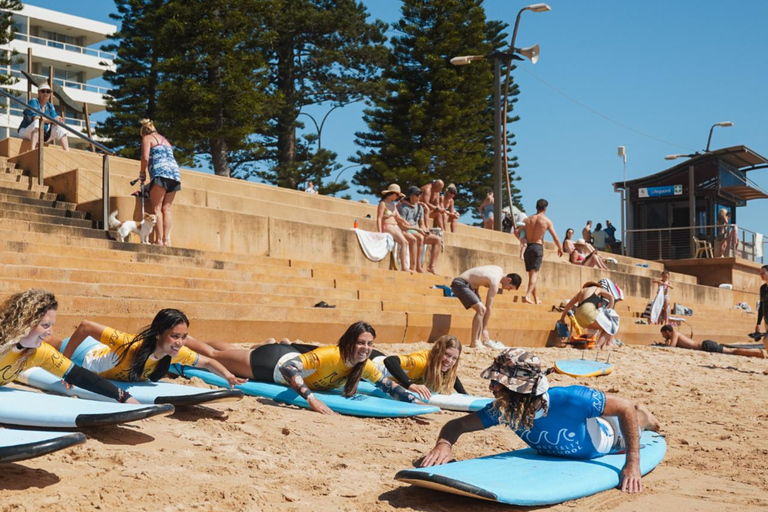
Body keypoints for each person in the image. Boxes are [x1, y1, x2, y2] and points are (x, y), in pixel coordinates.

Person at [420, 348, 661, 494]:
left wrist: (633, 463)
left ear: (519, 389)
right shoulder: (505, 410)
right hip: (580, 429)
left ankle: (645, 414)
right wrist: (444, 444)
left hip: (606, 438)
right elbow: (457, 425)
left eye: (497, 382)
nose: (490, 387)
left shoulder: (569, 398)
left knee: (634, 419)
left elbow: (624, 407)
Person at [186, 322, 422, 415]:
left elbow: (388, 385)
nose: (366, 348)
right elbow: (290, 369)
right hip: (270, 364)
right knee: (216, 355)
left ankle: (203, 339)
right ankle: (181, 340)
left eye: (370, 344)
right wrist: (311, 399)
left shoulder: (365, 366)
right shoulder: (330, 355)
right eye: (361, 342)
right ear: (350, 342)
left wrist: (414, 401)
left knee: (229, 351)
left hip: (276, 359)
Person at [0, 289, 139, 404]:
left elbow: (77, 375)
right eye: (45, 325)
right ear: (25, 322)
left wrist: (124, 396)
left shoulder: (39, 352)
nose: (50, 332)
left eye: (51, 325)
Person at [53, 311, 245, 386]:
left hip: (103, 360)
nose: (180, 342)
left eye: (183, 337)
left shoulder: (174, 353)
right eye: (175, 336)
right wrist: (66, 367)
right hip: (85, 356)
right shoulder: (131, 344)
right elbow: (85, 326)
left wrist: (228, 376)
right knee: (49, 343)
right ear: (158, 334)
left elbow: (208, 361)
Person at [372, 335, 467, 401]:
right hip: (371, 365)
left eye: (454, 358)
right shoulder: (422, 361)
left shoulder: (441, 364)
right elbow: (390, 360)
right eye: (446, 354)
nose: (449, 361)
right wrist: (411, 385)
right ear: (438, 351)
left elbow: (452, 374)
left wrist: (464, 394)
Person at [450, 265, 522, 350]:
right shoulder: (495, 281)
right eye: (510, 287)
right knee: (481, 309)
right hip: (461, 284)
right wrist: (485, 329)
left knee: (481, 310)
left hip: (471, 286)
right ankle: (475, 342)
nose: (508, 290)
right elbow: (488, 307)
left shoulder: (498, 269)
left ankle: (478, 341)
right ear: (509, 280)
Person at [138, 119, 181, 247]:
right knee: (167, 209)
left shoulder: (147, 138)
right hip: (175, 175)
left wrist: (142, 172)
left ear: (143, 133)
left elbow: (145, 157)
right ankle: (166, 240)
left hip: (160, 173)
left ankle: (159, 240)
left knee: (157, 208)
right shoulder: (166, 141)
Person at [522, 199, 563, 305]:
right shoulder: (546, 221)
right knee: (534, 274)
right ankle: (527, 295)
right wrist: (560, 248)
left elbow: (520, 232)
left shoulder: (528, 219)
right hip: (537, 246)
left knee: (531, 275)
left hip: (527, 247)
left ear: (536, 207)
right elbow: (555, 237)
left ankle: (535, 299)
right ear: (545, 208)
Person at [559, 281, 619, 349]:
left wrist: (562, 318)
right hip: (588, 312)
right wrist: (609, 311)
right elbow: (611, 297)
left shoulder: (582, 291)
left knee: (594, 327)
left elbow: (569, 305)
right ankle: (597, 346)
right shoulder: (597, 288)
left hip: (579, 317)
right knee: (611, 326)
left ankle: (589, 344)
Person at [397, 186, 441, 274]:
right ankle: (416, 266)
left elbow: (421, 224)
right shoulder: (403, 207)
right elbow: (402, 225)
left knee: (437, 240)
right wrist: (418, 230)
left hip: (417, 230)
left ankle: (431, 267)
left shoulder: (420, 207)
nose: (419, 196)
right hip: (408, 230)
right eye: (417, 194)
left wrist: (425, 230)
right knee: (420, 238)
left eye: (420, 194)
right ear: (410, 195)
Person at [17, 84, 69, 151]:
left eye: (48, 91)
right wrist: (52, 120)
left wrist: (58, 119)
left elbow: (54, 119)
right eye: (43, 91)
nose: (45, 93)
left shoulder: (50, 106)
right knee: (38, 122)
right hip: (26, 132)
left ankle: (67, 151)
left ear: (50, 94)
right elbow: (35, 118)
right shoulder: (34, 101)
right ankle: (32, 150)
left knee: (60, 127)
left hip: (42, 135)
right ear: (39, 93)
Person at [659, 325, 765, 358]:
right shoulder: (674, 335)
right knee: (731, 351)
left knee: (732, 352)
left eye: (663, 333)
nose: (663, 336)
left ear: (667, 331)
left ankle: (758, 353)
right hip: (705, 345)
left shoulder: (675, 334)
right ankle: (757, 353)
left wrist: (661, 345)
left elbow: (672, 347)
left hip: (706, 345)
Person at [377, 184, 413, 272]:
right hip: (387, 226)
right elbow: (379, 218)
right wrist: (379, 231)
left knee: (406, 242)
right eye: (396, 195)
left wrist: (405, 222)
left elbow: (398, 217)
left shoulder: (392, 204)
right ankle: (404, 267)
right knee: (404, 242)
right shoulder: (383, 203)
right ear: (392, 193)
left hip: (394, 226)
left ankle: (403, 266)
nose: (397, 197)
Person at [755, 265, 768, 351]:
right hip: (767, 320)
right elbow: (761, 306)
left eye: (763, 273)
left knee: (766, 340)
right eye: (760, 273)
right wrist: (758, 323)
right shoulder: (763, 288)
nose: (761, 275)